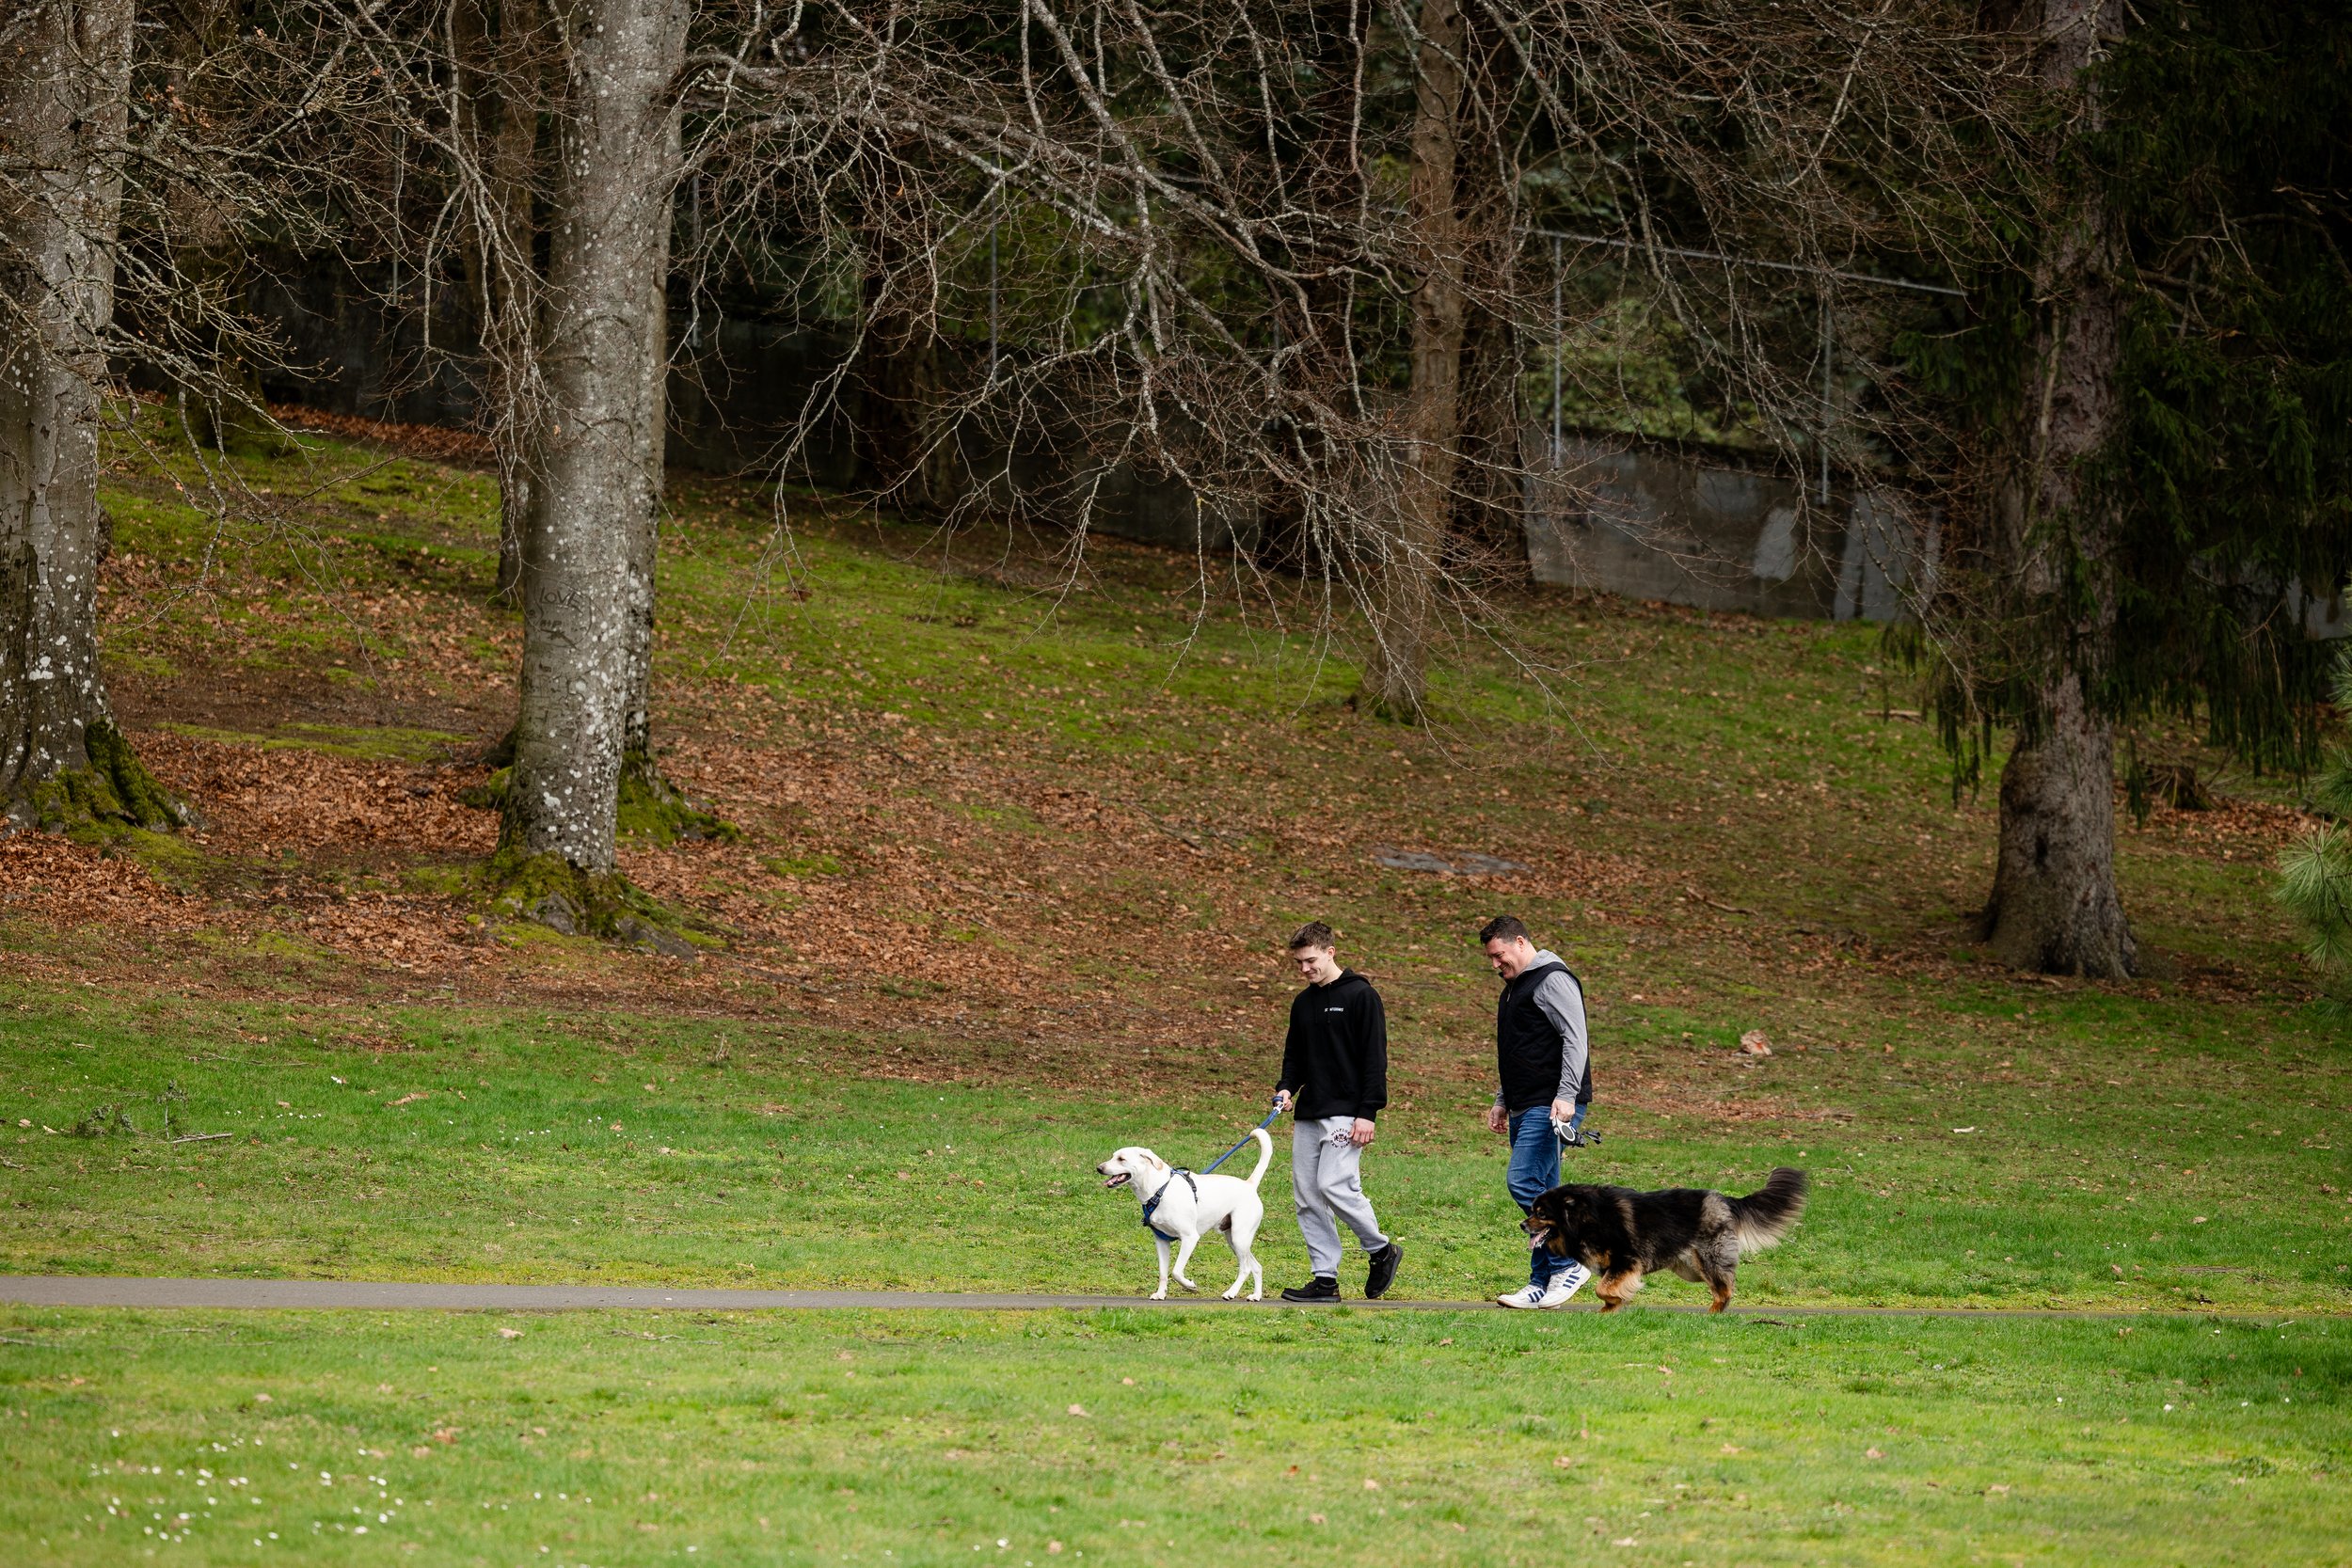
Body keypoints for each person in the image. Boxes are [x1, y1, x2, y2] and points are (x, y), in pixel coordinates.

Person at [1271, 922, 1403, 1302]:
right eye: (1298, 963)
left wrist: (1368, 1112)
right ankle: (1325, 1281)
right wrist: (1285, 1088)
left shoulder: (1362, 996)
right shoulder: (1303, 1002)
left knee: (1334, 1184)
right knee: (1307, 1196)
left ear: (1330, 952)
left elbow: (1375, 1060)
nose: (1304, 969)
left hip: (1348, 1112)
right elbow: (1294, 1056)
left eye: (1310, 960)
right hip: (1310, 1111)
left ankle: (1381, 1250)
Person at [1479, 914, 1596, 1309]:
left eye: (1499, 955)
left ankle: (1573, 1260)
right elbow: (1517, 1052)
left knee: (1523, 1180)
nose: (1496, 965)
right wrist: (1501, 1099)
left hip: (1551, 1105)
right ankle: (1540, 1282)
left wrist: (1566, 1095)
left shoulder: (1552, 979)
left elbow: (1575, 1039)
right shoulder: (1514, 988)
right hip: (1523, 1104)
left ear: (1521, 942)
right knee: (1546, 1196)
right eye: (1491, 959)